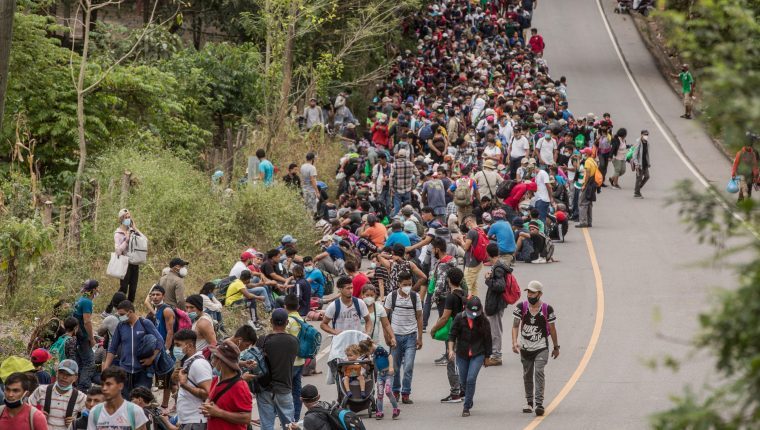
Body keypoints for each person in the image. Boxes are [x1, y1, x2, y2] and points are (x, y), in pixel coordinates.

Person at [511, 280, 560, 417]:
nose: (530, 295)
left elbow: (552, 329)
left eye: (533, 292)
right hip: (525, 348)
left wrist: (556, 347)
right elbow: (515, 326)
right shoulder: (521, 307)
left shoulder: (547, 309)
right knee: (527, 375)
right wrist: (514, 342)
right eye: (529, 292)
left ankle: (539, 404)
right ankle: (529, 402)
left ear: (540, 294)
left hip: (541, 347)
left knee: (538, 372)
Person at [103, 300, 165, 397]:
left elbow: (160, 341)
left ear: (130, 312)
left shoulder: (145, 323)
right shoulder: (121, 326)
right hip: (125, 371)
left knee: (141, 401)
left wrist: (151, 358)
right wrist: (106, 367)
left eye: (122, 314)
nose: (120, 317)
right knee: (125, 401)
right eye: (118, 314)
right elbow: (112, 348)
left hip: (143, 371)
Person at [447, 296, 491, 417]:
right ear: (466, 309)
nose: (474, 315)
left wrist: (487, 357)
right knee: (463, 381)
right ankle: (469, 398)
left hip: (478, 354)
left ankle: (466, 407)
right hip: (462, 354)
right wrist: (451, 350)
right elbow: (452, 335)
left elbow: (488, 340)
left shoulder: (484, 320)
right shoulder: (459, 318)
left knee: (471, 378)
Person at [383, 271, 422, 404]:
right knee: (395, 366)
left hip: (411, 336)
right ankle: (395, 390)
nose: (407, 287)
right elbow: (384, 318)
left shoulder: (415, 297)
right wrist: (387, 336)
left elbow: (419, 317)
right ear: (399, 284)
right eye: (405, 284)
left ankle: (406, 392)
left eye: (410, 284)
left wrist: (420, 337)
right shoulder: (391, 296)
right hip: (396, 336)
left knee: (409, 366)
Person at [256, 309, 299, 430]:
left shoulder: (262, 340)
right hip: (285, 388)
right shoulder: (294, 341)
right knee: (289, 426)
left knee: (267, 425)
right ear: (286, 322)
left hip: (264, 388)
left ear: (271, 321)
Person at [428, 266, 465, 403]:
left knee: (452, 362)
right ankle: (463, 390)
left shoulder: (451, 297)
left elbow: (444, 317)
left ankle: (455, 393)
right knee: (461, 362)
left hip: (454, 333)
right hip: (465, 331)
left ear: (448, 280)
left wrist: (433, 329)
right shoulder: (465, 294)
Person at [201, 340, 252, 430]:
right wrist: (207, 407)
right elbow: (210, 399)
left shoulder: (240, 386)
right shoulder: (216, 380)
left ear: (221, 361)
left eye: (215, 357)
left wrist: (219, 413)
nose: (212, 361)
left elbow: (246, 418)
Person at [27, 359, 86, 430]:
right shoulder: (41, 390)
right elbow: (26, 410)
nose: (64, 377)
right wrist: (37, 415)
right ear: (57, 373)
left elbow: (90, 420)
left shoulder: (80, 397)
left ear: (75, 378)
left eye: (69, 374)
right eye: (62, 373)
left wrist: (76, 423)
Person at [173, 329, 213, 430]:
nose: (175, 348)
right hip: (188, 421)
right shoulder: (189, 362)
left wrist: (184, 385)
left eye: (178, 345)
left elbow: (207, 393)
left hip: (196, 421)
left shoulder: (199, 364)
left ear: (190, 346)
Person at [108, 208, 142, 313]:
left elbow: (143, 240)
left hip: (134, 263)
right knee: (123, 289)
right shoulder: (118, 233)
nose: (128, 219)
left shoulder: (132, 230)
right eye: (126, 217)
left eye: (129, 217)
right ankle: (109, 310)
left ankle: (130, 311)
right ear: (121, 219)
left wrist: (135, 229)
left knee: (133, 289)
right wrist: (126, 239)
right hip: (124, 263)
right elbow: (118, 251)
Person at [483, 244, 510, 366]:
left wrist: (488, 280)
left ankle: (497, 355)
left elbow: (500, 286)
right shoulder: (500, 264)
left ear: (488, 254)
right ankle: (493, 352)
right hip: (497, 302)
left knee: (495, 329)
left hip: (496, 303)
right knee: (493, 327)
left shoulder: (498, 268)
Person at [73, 279, 99, 390]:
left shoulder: (79, 300)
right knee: (89, 363)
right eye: (97, 288)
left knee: (80, 362)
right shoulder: (87, 302)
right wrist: (91, 338)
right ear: (94, 289)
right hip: (83, 337)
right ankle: (83, 388)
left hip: (76, 336)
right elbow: (87, 321)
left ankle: (76, 385)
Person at [284, 295, 306, 421]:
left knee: (286, 392)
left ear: (285, 307)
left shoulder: (289, 321)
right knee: (297, 391)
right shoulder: (301, 319)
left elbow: (283, 338)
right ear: (298, 306)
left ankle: (288, 419)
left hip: (291, 362)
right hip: (301, 360)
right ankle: (296, 418)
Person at [458, 216, 485, 297]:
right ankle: (475, 304)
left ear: (469, 221)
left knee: (467, 286)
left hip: (471, 263)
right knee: (473, 286)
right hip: (478, 261)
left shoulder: (471, 232)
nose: (466, 225)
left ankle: (467, 306)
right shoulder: (480, 230)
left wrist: (461, 240)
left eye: (466, 223)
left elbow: (466, 248)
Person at [731, 137, 759, 203]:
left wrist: (755, 177)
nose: (749, 147)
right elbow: (735, 164)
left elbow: (754, 166)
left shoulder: (753, 154)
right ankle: (746, 202)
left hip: (750, 175)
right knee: (744, 188)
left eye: (750, 145)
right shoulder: (740, 153)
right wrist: (733, 173)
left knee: (748, 188)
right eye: (747, 145)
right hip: (741, 174)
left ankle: (740, 201)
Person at [390, 149, 416, 217]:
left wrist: (391, 188)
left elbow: (391, 177)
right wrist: (413, 185)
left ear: (398, 155)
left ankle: (396, 221)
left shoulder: (394, 164)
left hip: (397, 189)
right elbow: (418, 175)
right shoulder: (411, 164)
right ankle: (407, 220)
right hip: (408, 189)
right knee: (407, 208)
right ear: (406, 155)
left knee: (397, 207)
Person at [576, 147, 597, 227]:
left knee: (582, 203)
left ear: (587, 154)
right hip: (592, 183)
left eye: (583, 153)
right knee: (589, 203)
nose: (582, 154)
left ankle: (583, 222)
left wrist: (584, 185)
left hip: (587, 183)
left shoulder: (587, 162)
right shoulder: (593, 161)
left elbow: (587, 173)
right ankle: (589, 221)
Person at [632, 130, 650, 199]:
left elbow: (646, 154)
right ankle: (637, 193)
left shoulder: (647, 143)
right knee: (639, 178)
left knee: (647, 176)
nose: (646, 136)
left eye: (647, 134)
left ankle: (637, 189)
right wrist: (636, 164)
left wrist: (648, 162)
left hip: (645, 164)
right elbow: (634, 154)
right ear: (641, 134)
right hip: (639, 164)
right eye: (645, 134)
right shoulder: (638, 142)